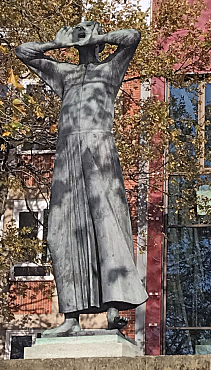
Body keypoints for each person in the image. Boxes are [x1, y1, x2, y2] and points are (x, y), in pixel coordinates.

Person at [15, 21, 148, 336]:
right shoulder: (65, 73)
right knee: (61, 233)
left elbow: (132, 37)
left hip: (98, 150)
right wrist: (53, 44)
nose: (82, 31)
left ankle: (114, 308)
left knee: (107, 226)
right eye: (79, 29)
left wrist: (99, 36)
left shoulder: (110, 71)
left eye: (88, 29)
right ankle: (71, 316)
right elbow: (23, 52)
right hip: (67, 154)